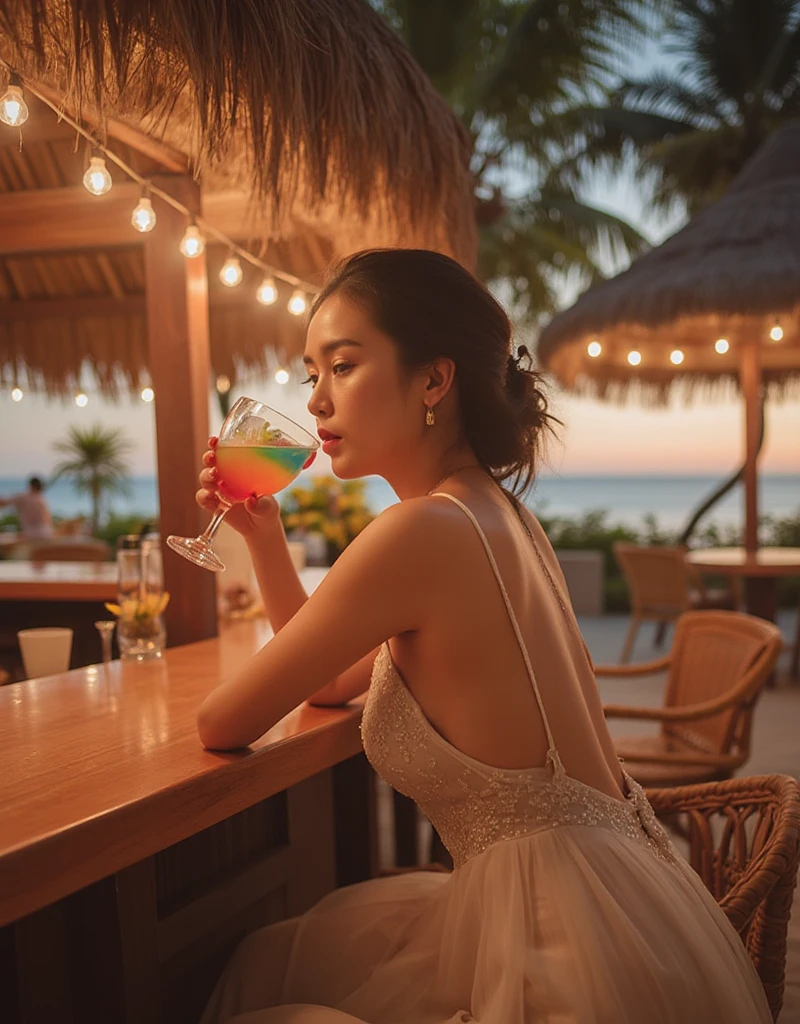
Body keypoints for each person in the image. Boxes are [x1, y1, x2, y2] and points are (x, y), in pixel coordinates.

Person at [195, 250, 770, 1024]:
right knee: (274, 960)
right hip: (625, 909)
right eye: (311, 376)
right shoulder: (496, 513)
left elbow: (221, 722)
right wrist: (265, 537)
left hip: (560, 958)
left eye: (343, 367)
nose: (319, 404)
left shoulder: (419, 530)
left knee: (257, 990)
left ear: (434, 380)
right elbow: (330, 682)